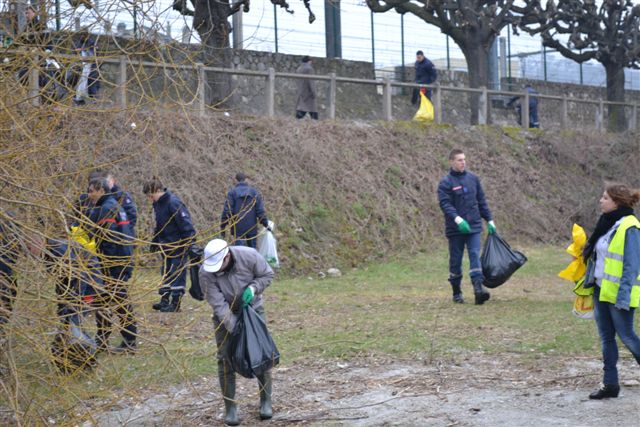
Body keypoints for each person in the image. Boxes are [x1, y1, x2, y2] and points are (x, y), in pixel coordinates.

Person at [199, 238, 275, 425]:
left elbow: (267, 275)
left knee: (261, 354)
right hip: (225, 316)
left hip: (253, 310)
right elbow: (219, 305)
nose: (217, 269)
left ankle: (266, 401)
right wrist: (236, 329)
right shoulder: (205, 273)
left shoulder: (249, 256)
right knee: (225, 359)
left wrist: (253, 287)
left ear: (228, 256)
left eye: (219, 265)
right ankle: (230, 408)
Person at [581, 184, 640, 399]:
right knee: (606, 339)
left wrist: (623, 297)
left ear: (616, 202)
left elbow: (632, 266)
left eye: (604, 197)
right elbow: (600, 257)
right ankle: (610, 385)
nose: (600, 200)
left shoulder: (630, 226)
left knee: (628, 336)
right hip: (600, 290)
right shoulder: (606, 223)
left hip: (619, 294)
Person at [85, 177, 137, 352]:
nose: (89, 194)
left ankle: (129, 342)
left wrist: (105, 264)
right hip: (122, 260)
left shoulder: (106, 208)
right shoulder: (114, 205)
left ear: (101, 190)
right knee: (104, 301)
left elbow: (109, 239)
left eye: (91, 190)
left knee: (117, 302)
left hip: (114, 263)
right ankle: (102, 341)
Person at [437, 148, 495, 305]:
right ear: (451, 162)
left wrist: (489, 220)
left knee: (475, 254)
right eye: (459, 160)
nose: (463, 162)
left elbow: (481, 201)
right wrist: (457, 220)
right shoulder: (446, 183)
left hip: (474, 226)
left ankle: (478, 290)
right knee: (455, 260)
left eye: (464, 159)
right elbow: (445, 204)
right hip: (455, 229)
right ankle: (456, 292)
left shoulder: (473, 179)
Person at [143, 177, 196, 312]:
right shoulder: (158, 204)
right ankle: (165, 300)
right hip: (165, 244)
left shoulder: (173, 203)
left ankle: (175, 303)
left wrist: (189, 243)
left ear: (157, 190)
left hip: (178, 244)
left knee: (177, 273)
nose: (151, 199)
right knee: (166, 272)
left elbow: (186, 223)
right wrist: (155, 240)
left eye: (151, 196)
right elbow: (160, 225)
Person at [221, 173, 270, 249]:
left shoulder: (232, 193)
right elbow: (260, 211)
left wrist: (223, 227)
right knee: (252, 252)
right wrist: (266, 224)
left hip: (237, 228)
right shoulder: (254, 192)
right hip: (251, 228)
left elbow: (227, 211)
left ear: (235, 180)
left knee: (239, 252)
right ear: (245, 180)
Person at [68, 31, 100, 105]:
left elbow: (93, 55)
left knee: (91, 83)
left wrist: (83, 50)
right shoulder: (78, 43)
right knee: (76, 81)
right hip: (80, 66)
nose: (82, 36)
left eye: (84, 35)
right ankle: (78, 99)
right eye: (81, 35)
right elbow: (74, 53)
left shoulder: (92, 43)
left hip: (90, 67)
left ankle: (93, 99)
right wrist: (76, 52)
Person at [295, 56, 318, 120]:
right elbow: (311, 82)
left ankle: (297, 120)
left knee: (302, 108)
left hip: (301, 92)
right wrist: (314, 93)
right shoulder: (309, 69)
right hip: (308, 92)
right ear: (309, 61)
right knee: (312, 109)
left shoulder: (299, 69)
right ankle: (316, 123)